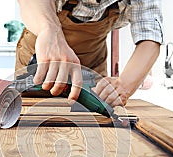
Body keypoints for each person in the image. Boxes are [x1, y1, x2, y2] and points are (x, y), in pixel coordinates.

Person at [15, 0, 163, 106]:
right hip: (39, 58)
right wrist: (50, 31)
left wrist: (123, 86)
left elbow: (149, 38)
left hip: (92, 63)